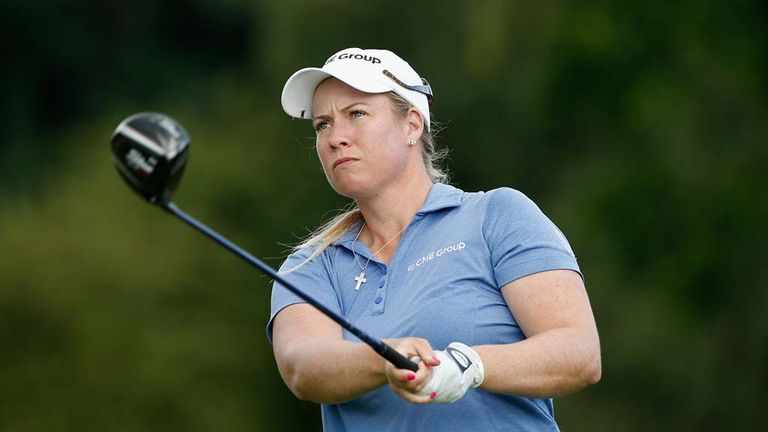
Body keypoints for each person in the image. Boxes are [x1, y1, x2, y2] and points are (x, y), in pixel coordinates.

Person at [268, 47, 601, 431]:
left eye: (356, 114)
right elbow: (304, 367)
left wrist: (469, 366)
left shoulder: (497, 216)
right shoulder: (310, 265)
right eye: (322, 124)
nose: (335, 138)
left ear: (412, 125)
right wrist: (384, 361)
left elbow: (578, 353)